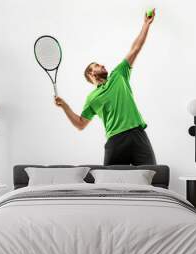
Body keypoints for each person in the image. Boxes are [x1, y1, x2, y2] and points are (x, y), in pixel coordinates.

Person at [55, 9, 156, 166]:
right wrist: (65, 106)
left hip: (138, 135)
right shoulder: (92, 98)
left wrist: (145, 24)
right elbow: (81, 124)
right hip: (116, 140)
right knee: (109, 185)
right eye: (96, 65)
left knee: (153, 177)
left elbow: (135, 48)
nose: (102, 65)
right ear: (91, 74)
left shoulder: (118, 74)